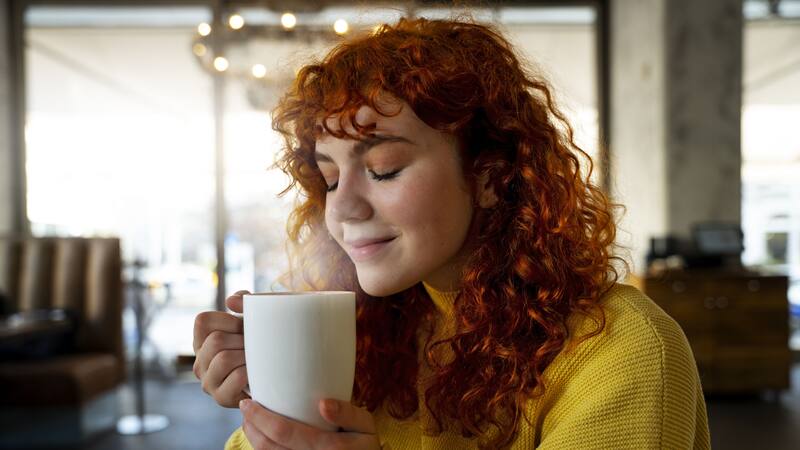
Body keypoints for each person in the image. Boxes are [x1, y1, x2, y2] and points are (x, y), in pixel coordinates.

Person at [193, 17, 710, 450]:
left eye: (385, 168)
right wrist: (267, 396)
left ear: (489, 177)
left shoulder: (621, 350)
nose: (342, 208)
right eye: (329, 178)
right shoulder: (361, 332)